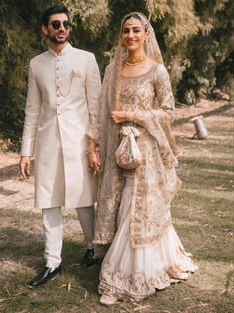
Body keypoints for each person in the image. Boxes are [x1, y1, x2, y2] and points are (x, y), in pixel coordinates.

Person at [91, 12, 198, 305]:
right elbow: (101, 110)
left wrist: (133, 116)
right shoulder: (113, 69)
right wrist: (95, 144)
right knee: (119, 204)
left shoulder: (157, 72)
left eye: (136, 30)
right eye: (126, 31)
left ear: (147, 34)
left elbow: (167, 113)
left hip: (145, 152)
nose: (131, 36)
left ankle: (122, 277)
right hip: (117, 150)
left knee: (134, 210)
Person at [19, 5, 101, 288]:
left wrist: (95, 144)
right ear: (45, 29)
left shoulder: (87, 59)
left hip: (80, 144)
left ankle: (93, 249)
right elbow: (32, 110)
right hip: (47, 145)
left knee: (84, 201)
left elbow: (96, 108)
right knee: (49, 202)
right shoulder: (35, 64)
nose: (62, 28)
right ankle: (52, 262)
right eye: (56, 24)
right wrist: (25, 151)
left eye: (66, 24)